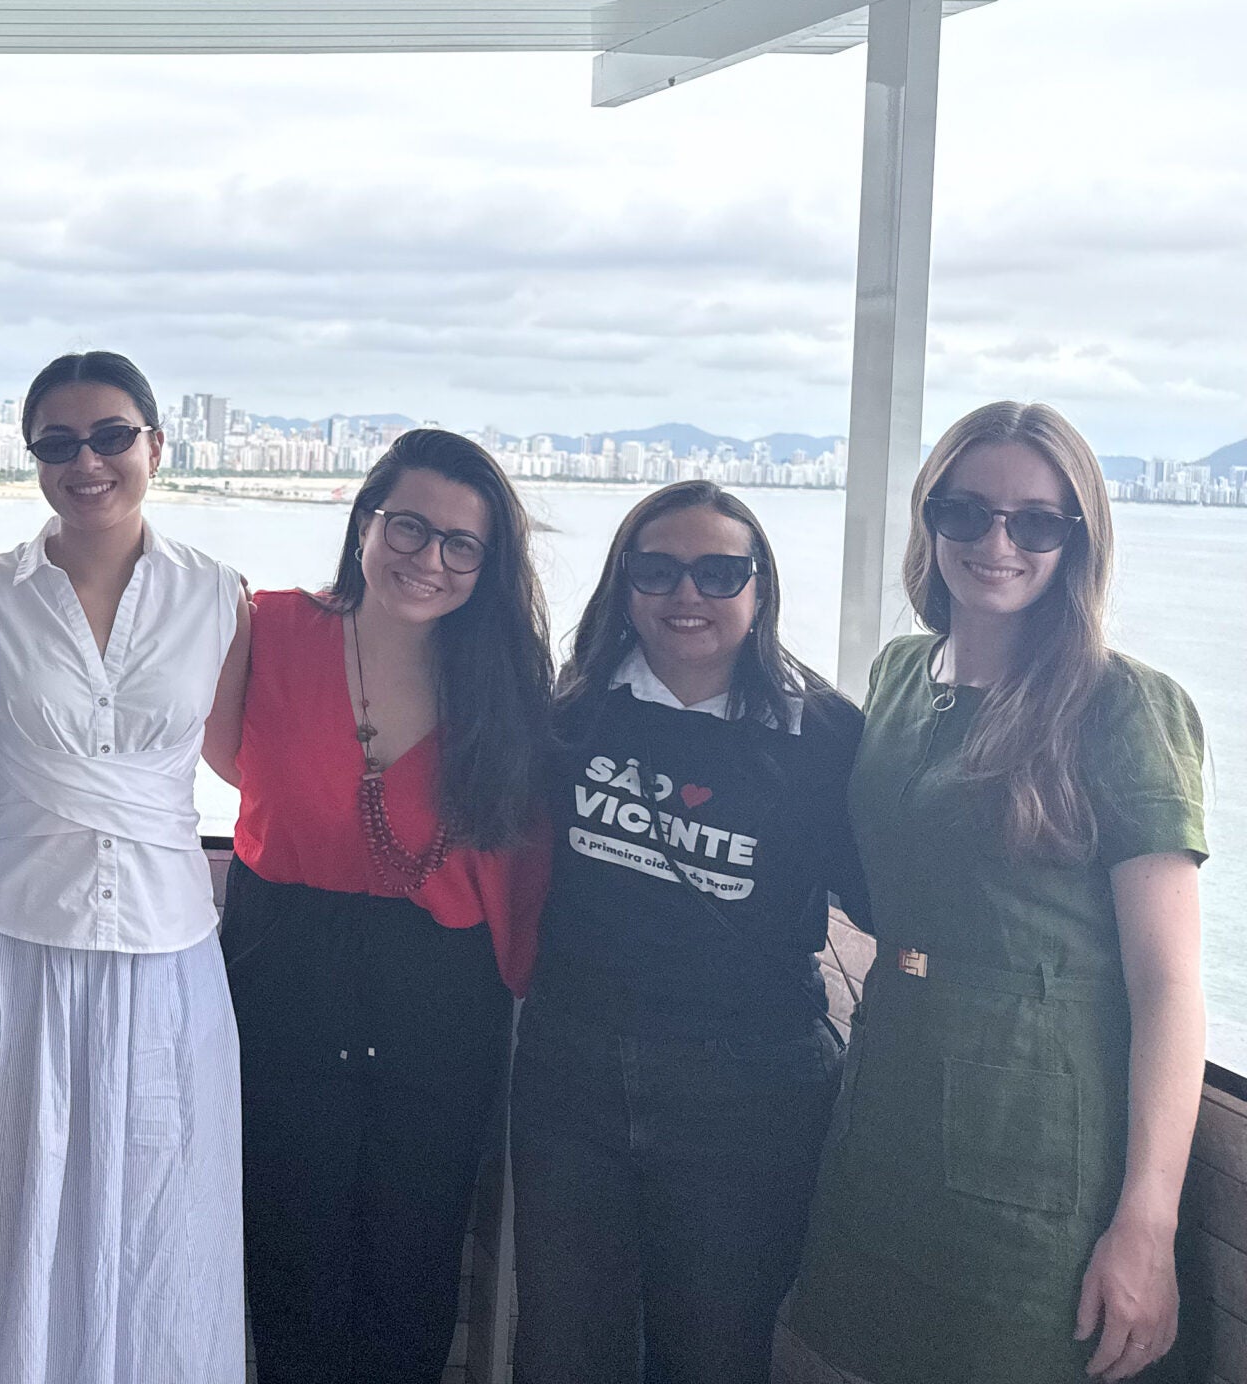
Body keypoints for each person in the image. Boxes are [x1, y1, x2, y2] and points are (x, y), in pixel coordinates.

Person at [779, 402, 1207, 1384]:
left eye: (1035, 521)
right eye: (964, 512)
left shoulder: (1122, 705)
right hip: (886, 1097)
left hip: (1032, 1132)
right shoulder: (898, 675)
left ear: (1077, 538)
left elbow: (1169, 986)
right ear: (928, 518)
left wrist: (1146, 1223)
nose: (995, 543)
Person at [0, 351, 253, 1384]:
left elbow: (247, 763)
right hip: (16, 948)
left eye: (111, 436)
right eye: (58, 443)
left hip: (168, 955)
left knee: (163, 1226)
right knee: (7, 1218)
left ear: (155, 444)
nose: (87, 462)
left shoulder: (219, 596)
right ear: (32, 457)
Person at [507, 482, 865, 1384]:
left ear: (759, 586)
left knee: (714, 1353)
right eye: (657, 571)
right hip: (573, 1073)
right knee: (563, 1348)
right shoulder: (572, 714)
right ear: (624, 583)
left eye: (719, 573)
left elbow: (888, 894)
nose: (687, 595)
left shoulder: (823, 735)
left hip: (749, 1090)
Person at [217, 428, 552, 1384]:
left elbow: (524, 858)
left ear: (488, 566)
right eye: (409, 527)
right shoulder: (265, 627)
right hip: (285, 971)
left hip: (439, 998)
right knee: (287, 1256)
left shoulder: (505, 683)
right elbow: (225, 761)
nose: (429, 559)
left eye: (461, 544)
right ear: (365, 521)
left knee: (414, 1264)